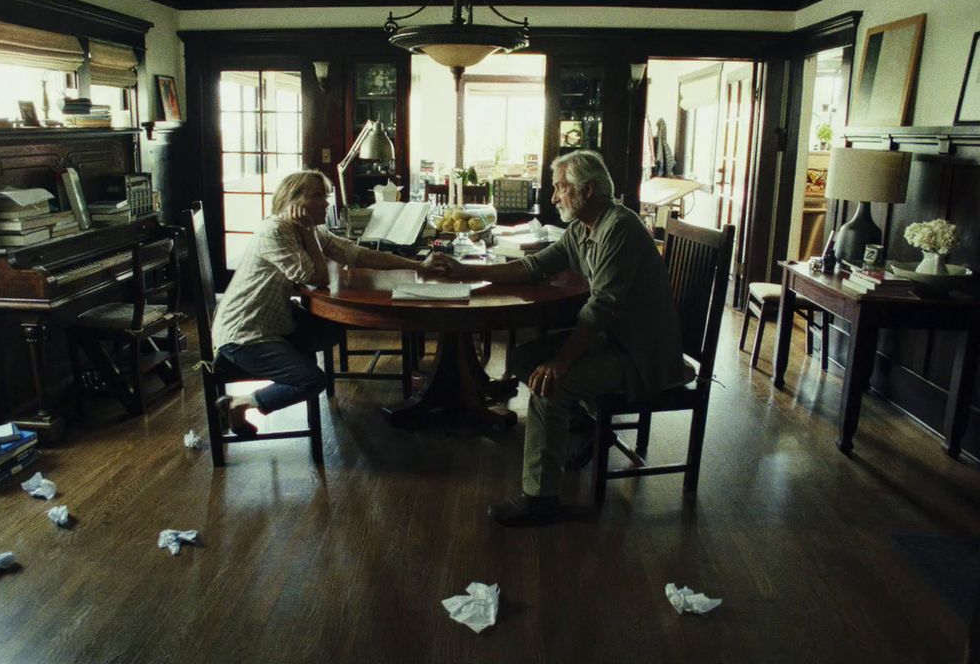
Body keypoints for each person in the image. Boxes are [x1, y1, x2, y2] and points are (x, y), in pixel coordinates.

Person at [426, 150, 691, 526]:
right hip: (613, 342)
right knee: (521, 359)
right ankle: (580, 429)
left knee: (549, 384)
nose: (554, 197)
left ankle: (541, 499)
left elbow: (601, 307)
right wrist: (464, 271)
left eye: (561, 188)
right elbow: (535, 266)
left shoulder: (620, 228)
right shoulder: (585, 227)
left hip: (641, 355)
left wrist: (561, 362)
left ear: (589, 189)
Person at [210, 170, 431, 435]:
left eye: (325, 195)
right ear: (292, 201)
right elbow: (318, 277)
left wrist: (418, 265)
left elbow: (357, 255)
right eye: (317, 196)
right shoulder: (277, 231)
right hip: (244, 334)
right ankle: (239, 403)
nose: (326, 202)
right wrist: (310, 236)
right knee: (313, 380)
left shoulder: (310, 228)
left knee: (332, 329)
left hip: (274, 321)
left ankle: (292, 360)